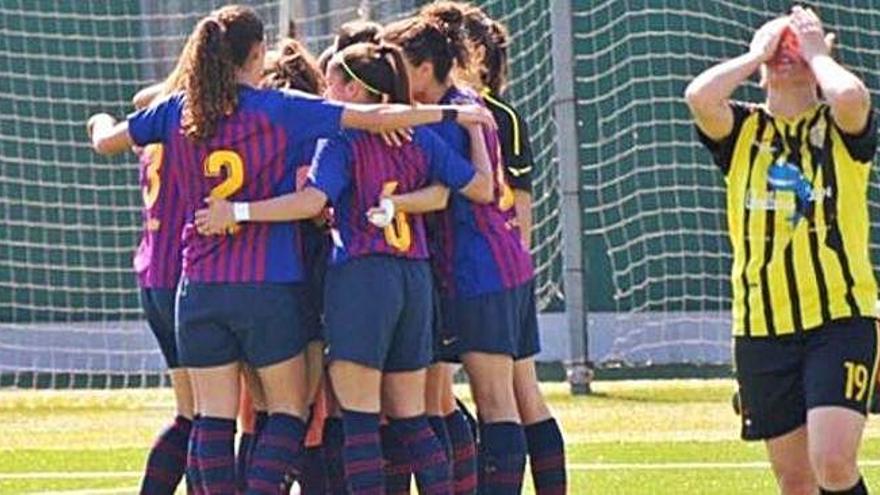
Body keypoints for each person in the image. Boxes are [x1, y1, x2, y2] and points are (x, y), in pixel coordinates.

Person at [86, 5, 494, 492]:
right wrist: (450, 112)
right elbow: (375, 117)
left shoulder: (178, 110)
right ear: (257, 53)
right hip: (269, 284)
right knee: (287, 413)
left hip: (197, 286)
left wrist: (98, 119)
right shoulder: (278, 108)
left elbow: (108, 141)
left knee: (211, 420)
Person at [192, 41, 494, 495]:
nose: (324, 87)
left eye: (332, 79)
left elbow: (313, 202)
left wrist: (238, 212)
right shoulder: (418, 135)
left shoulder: (342, 137)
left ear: (353, 89)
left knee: (359, 423)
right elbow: (476, 189)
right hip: (414, 279)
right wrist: (470, 130)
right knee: (413, 420)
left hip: (362, 280)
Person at [686, 7, 877, 495]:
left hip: (839, 320)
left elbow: (852, 96)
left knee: (833, 462)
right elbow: (700, 97)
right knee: (795, 481)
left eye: (797, 48)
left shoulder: (840, 127)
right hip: (761, 328)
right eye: (782, 48)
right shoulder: (743, 131)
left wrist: (816, 54)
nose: (786, 55)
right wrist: (756, 53)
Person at [383, 13, 543, 494]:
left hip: (480, 270)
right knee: (497, 400)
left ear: (427, 67)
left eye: (399, 67)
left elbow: (468, 190)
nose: (393, 80)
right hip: (501, 263)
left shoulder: (448, 119)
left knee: (495, 400)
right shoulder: (464, 106)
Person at [130, 66, 193, 495]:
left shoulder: (157, 121)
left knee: (192, 413)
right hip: (183, 274)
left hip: (153, 273)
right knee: (205, 415)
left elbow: (141, 98)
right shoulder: (187, 126)